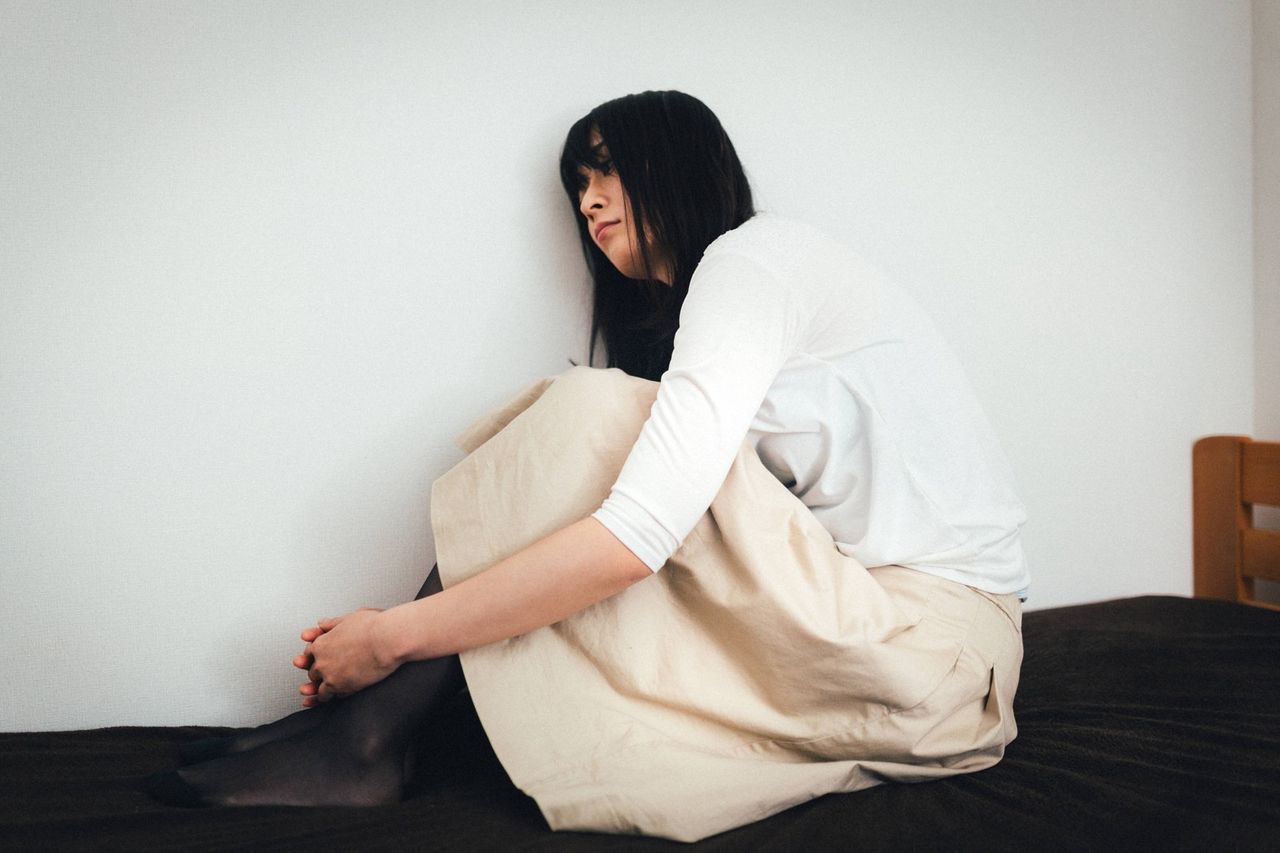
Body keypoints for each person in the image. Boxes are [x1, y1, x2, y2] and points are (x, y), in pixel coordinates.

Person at [146, 90, 1029, 842]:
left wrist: (390, 637)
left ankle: (369, 736)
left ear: (679, 163)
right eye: (578, 183)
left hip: (935, 657)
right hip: (897, 644)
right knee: (618, 434)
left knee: (597, 417)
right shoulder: (744, 291)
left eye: (606, 170)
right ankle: (365, 732)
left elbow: (634, 538)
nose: (589, 200)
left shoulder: (754, 263)